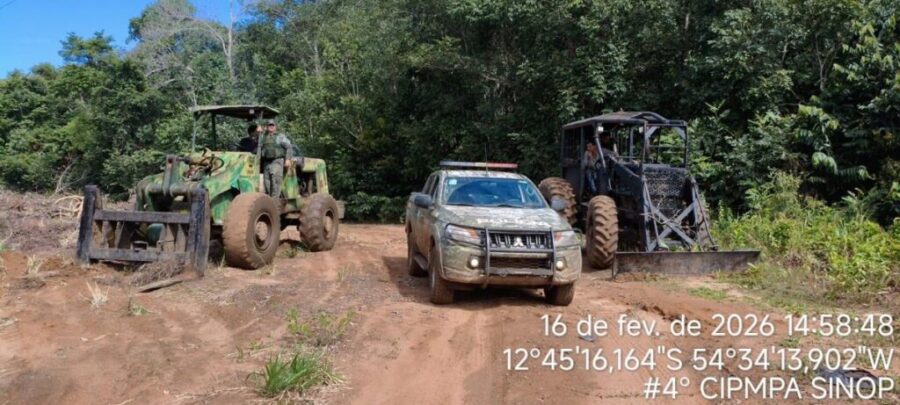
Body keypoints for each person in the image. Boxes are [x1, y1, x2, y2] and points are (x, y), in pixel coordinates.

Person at [260, 119, 293, 198]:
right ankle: (270, 201)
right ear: (266, 127)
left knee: (275, 181)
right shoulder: (263, 137)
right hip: (267, 162)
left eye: (272, 125)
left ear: (275, 127)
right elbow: (258, 147)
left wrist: (288, 159)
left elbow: (289, 147)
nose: (271, 127)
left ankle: (274, 201)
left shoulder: (279, 136)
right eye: (269, 125)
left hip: (277, 161)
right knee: (267, 182)